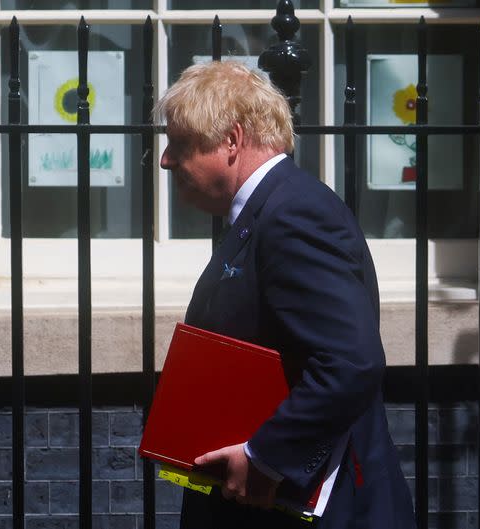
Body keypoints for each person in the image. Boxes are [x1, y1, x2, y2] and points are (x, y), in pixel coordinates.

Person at [154, 61, 416, 529]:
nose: (166, 160)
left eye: (179, 143)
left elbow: (350, 361)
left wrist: (265, 458)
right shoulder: (267, 211)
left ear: (231, 141)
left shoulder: (293, 214)